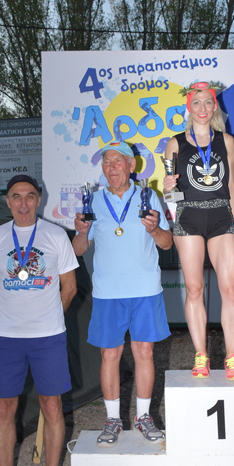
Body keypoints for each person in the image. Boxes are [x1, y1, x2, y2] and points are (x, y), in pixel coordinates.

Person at [0, 174, 78, 466]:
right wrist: (15, 311)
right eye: (16, 196)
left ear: (39, 200)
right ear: (7, 201)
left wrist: (46, 315)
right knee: (4, 409)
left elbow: (70, 287)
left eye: (30, 196)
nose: (23, 203)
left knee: (51, 406)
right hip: (6, 337)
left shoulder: (56, 235)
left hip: (47, 336)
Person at [73, 140, 172, 446]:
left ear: (131, 165)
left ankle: (143, 417)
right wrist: (81, 232)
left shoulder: (148, 197)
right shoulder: (92, 201)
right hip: (108, 292)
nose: (111, 167)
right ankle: (113, 419)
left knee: (144, 352)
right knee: (109, 354)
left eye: (117, 161)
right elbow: (78, 250)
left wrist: (154, 229)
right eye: (106, 162)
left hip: (145, 289)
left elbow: (167, 243)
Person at [163, 81, 234, 380]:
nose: (202, 108)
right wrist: (167, 188)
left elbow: (231, 185)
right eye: (196, 103)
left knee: (229, 288)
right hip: (189, 218)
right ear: (189, 107)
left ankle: (232, 356)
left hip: (221, 217)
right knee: (194, 288)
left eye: (207, 102)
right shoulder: (175, 143)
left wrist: (233, 223)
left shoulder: (228, 141)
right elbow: (170, 193)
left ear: (214, 106)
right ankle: (201, 355)